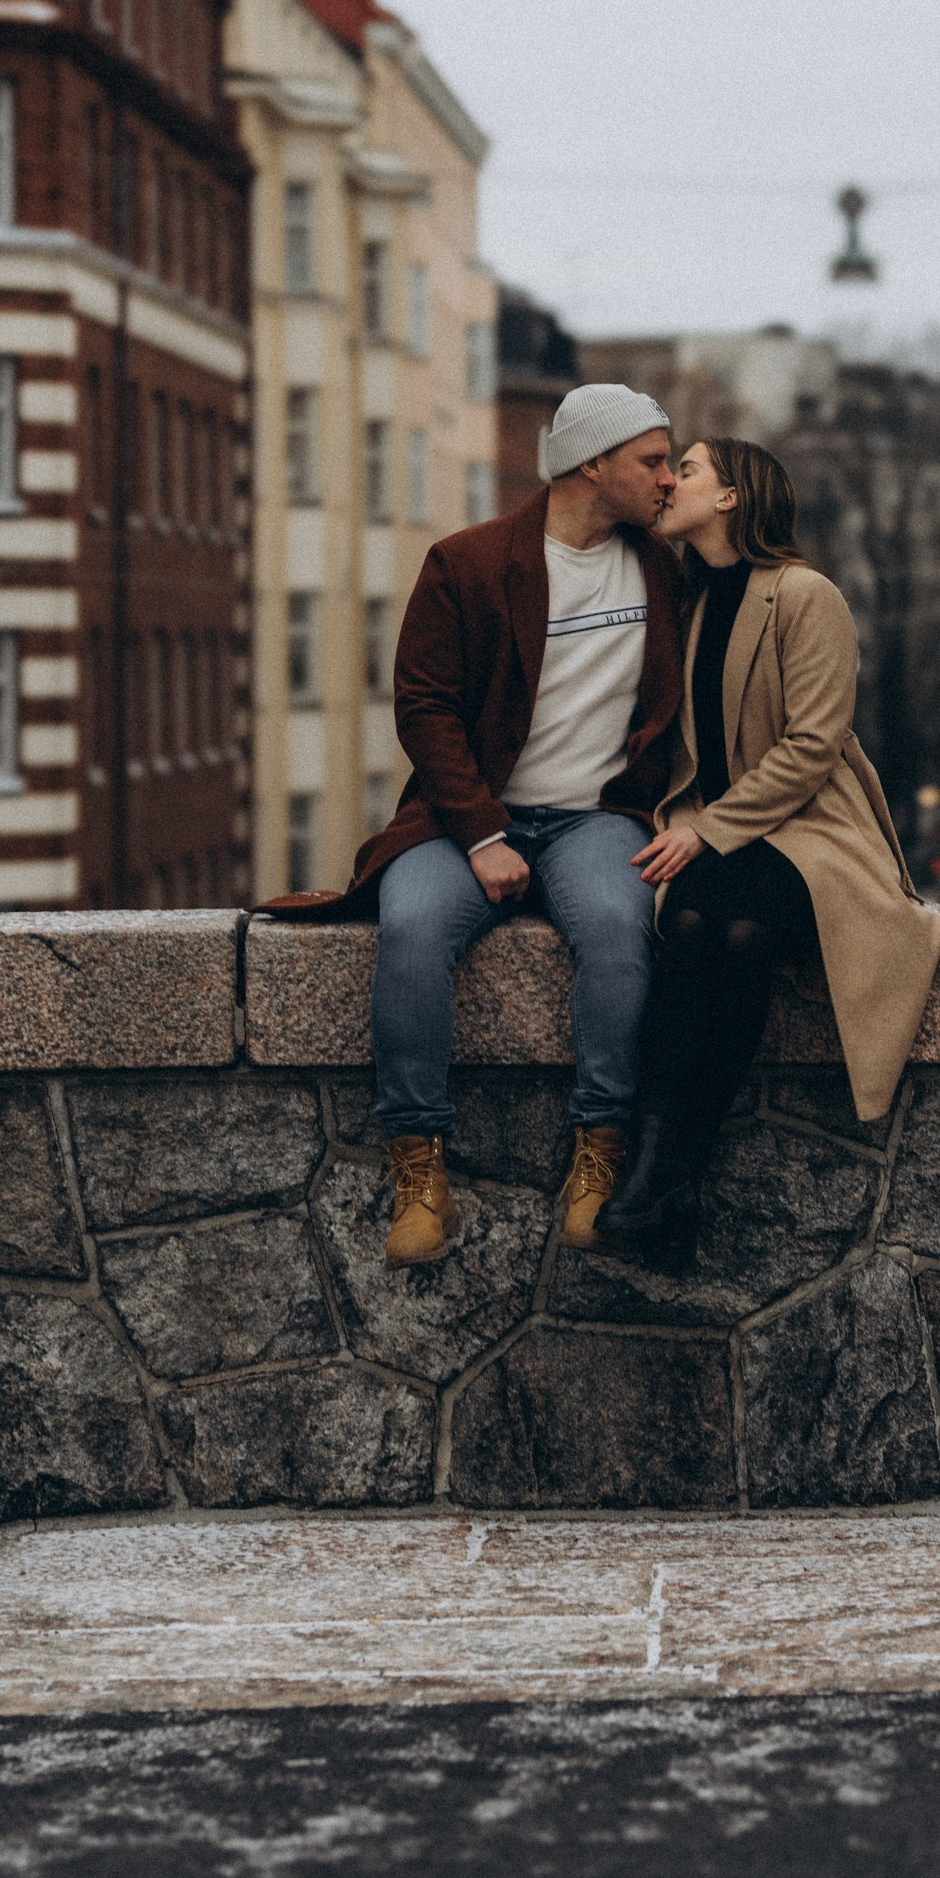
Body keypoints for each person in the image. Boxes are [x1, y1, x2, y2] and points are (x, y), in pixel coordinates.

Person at [262, 384, 684, 1268]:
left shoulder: (665, 569)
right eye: (652, 461)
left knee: (619, 926)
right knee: (412, 927)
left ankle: (599, 1153)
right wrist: (483, 834)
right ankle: (419, 1170)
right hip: (468, 818)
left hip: (596, 820)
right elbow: (423, 706)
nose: (668, 478)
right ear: (592, 464)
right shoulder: (468, 562)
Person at [598, 436, 940, 1265]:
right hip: (712, 826)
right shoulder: (685, 602)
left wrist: (706, 831)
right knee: (692, 928)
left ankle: (657, 1179)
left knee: (739, 928)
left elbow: (813, 745)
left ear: (731, 497)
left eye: (687, 469)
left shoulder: (803, 595)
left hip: (811, 828)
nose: (669, 482)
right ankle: (663, 1181)